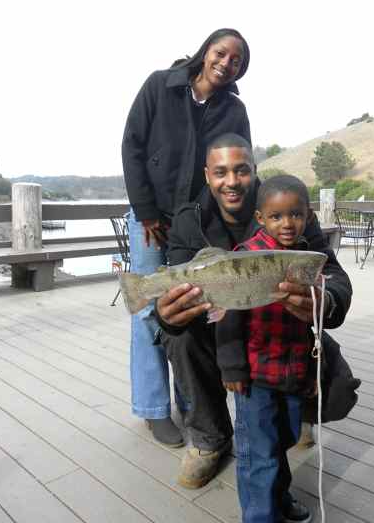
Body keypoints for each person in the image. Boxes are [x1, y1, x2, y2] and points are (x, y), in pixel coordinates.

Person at [155, 134, 353, 493]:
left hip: (282, 332)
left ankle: (299, 412)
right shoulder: (187, 220)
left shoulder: (288, 205)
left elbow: (334, 273)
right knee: (174, 336)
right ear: (207, 175)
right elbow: (176, 288)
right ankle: (210, 437)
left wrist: (328, 302)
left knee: (335, 389)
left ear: (254, 171)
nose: (231, 182)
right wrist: (166, 313)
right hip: (216, 327)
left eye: (241, 170)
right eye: (221, 172)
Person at [122, 29, 251, 446]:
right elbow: (132, 145)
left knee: (189, 309)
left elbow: (237, 162)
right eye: (221, 52)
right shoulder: (161, 84)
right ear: (205, 52)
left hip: (195, 224)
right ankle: (153, 409)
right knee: (147, 311)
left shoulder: (234, 109)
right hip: (150, 219)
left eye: (236, 59)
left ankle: (192, 406)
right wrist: (144, 211)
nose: (226, 62)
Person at [218, 174, 327, 523]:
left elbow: (309, 325)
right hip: (254, 375)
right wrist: (232, 367)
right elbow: (229, 314)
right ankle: (260, 516)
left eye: (295, 214)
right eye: (277, 216)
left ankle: (279, 498)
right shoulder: (245, 256)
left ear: (308, 215)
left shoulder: (308, 258)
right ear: (260, 218)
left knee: (285, 440)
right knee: (258, 453)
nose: (287, 223)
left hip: (293, 370)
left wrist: (312, 373)